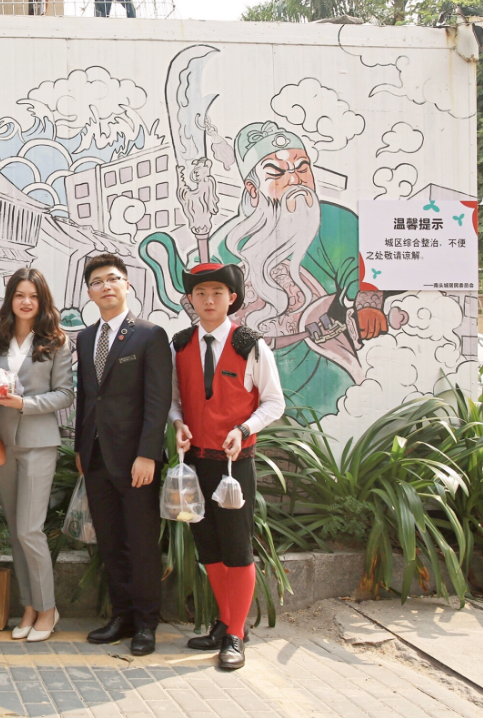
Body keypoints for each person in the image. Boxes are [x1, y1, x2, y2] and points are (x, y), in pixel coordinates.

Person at [170, 262, 285, 670]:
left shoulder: (250, 345)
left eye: (217, 292)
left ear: (231, 298)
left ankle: (236, 634)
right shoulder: (180, 344)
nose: (208, 300)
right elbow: (174, 400)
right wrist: (178, 424)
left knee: (237, 549)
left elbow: (274, 402)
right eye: (200, 293)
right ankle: (224, 622)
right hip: (195, 463)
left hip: (236, 466)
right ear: (191, 299)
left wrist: (244, 428)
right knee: (209, 549)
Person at [74, 254, 172, 655]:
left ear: (127, 285)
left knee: (141, 542)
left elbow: (158, 401)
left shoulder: (149, 335)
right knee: (111, 542)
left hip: (136, 461)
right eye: (97, 282)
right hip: (96, 457)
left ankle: (146, 623)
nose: (106, 286)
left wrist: (148, 453)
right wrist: (80, 449)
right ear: (89, 292)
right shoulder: (85, 338)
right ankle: (122, 615)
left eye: (113, 279)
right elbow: (86, 398)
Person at [0, 268, 73, 643]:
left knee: (29, 529)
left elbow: (65, 394)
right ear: (10, 299)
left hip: (38, 442)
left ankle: (48, 609)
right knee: (16, 529)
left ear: (42, 300)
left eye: (33, 295)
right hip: (0, 441)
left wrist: (24, 404)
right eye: (19, 294)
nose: (26, 301)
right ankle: (29, 607)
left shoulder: (57, 341)